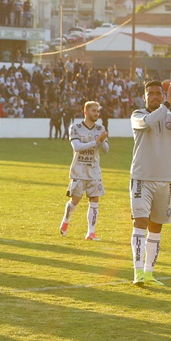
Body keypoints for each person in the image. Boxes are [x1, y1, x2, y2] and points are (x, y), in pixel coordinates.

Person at [129, 80, 171, 286]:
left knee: (156, 226)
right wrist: (167, 105)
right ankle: (138, 272)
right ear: (144, 97)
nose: (155, 96)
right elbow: (148, 122)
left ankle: (149, 273)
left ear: (163, 95)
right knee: (140, 221)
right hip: (142, 178)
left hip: (164, 180)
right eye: (151, 93)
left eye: (159, 93)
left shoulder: (170, 117)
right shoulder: (138, 115)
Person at [60, 101, 109, 241]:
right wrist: (95, 142)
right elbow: (77, 147)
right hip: (79, 170)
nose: (97, 114)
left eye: (98, 111)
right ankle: (66, 220)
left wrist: (102, 141)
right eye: (94, 111)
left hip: (94, 170)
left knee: (95, 200)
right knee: (75, 201)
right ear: (86, 112)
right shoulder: (75, 128)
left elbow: (106, 150)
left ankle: (91, 233)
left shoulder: (100, 128)